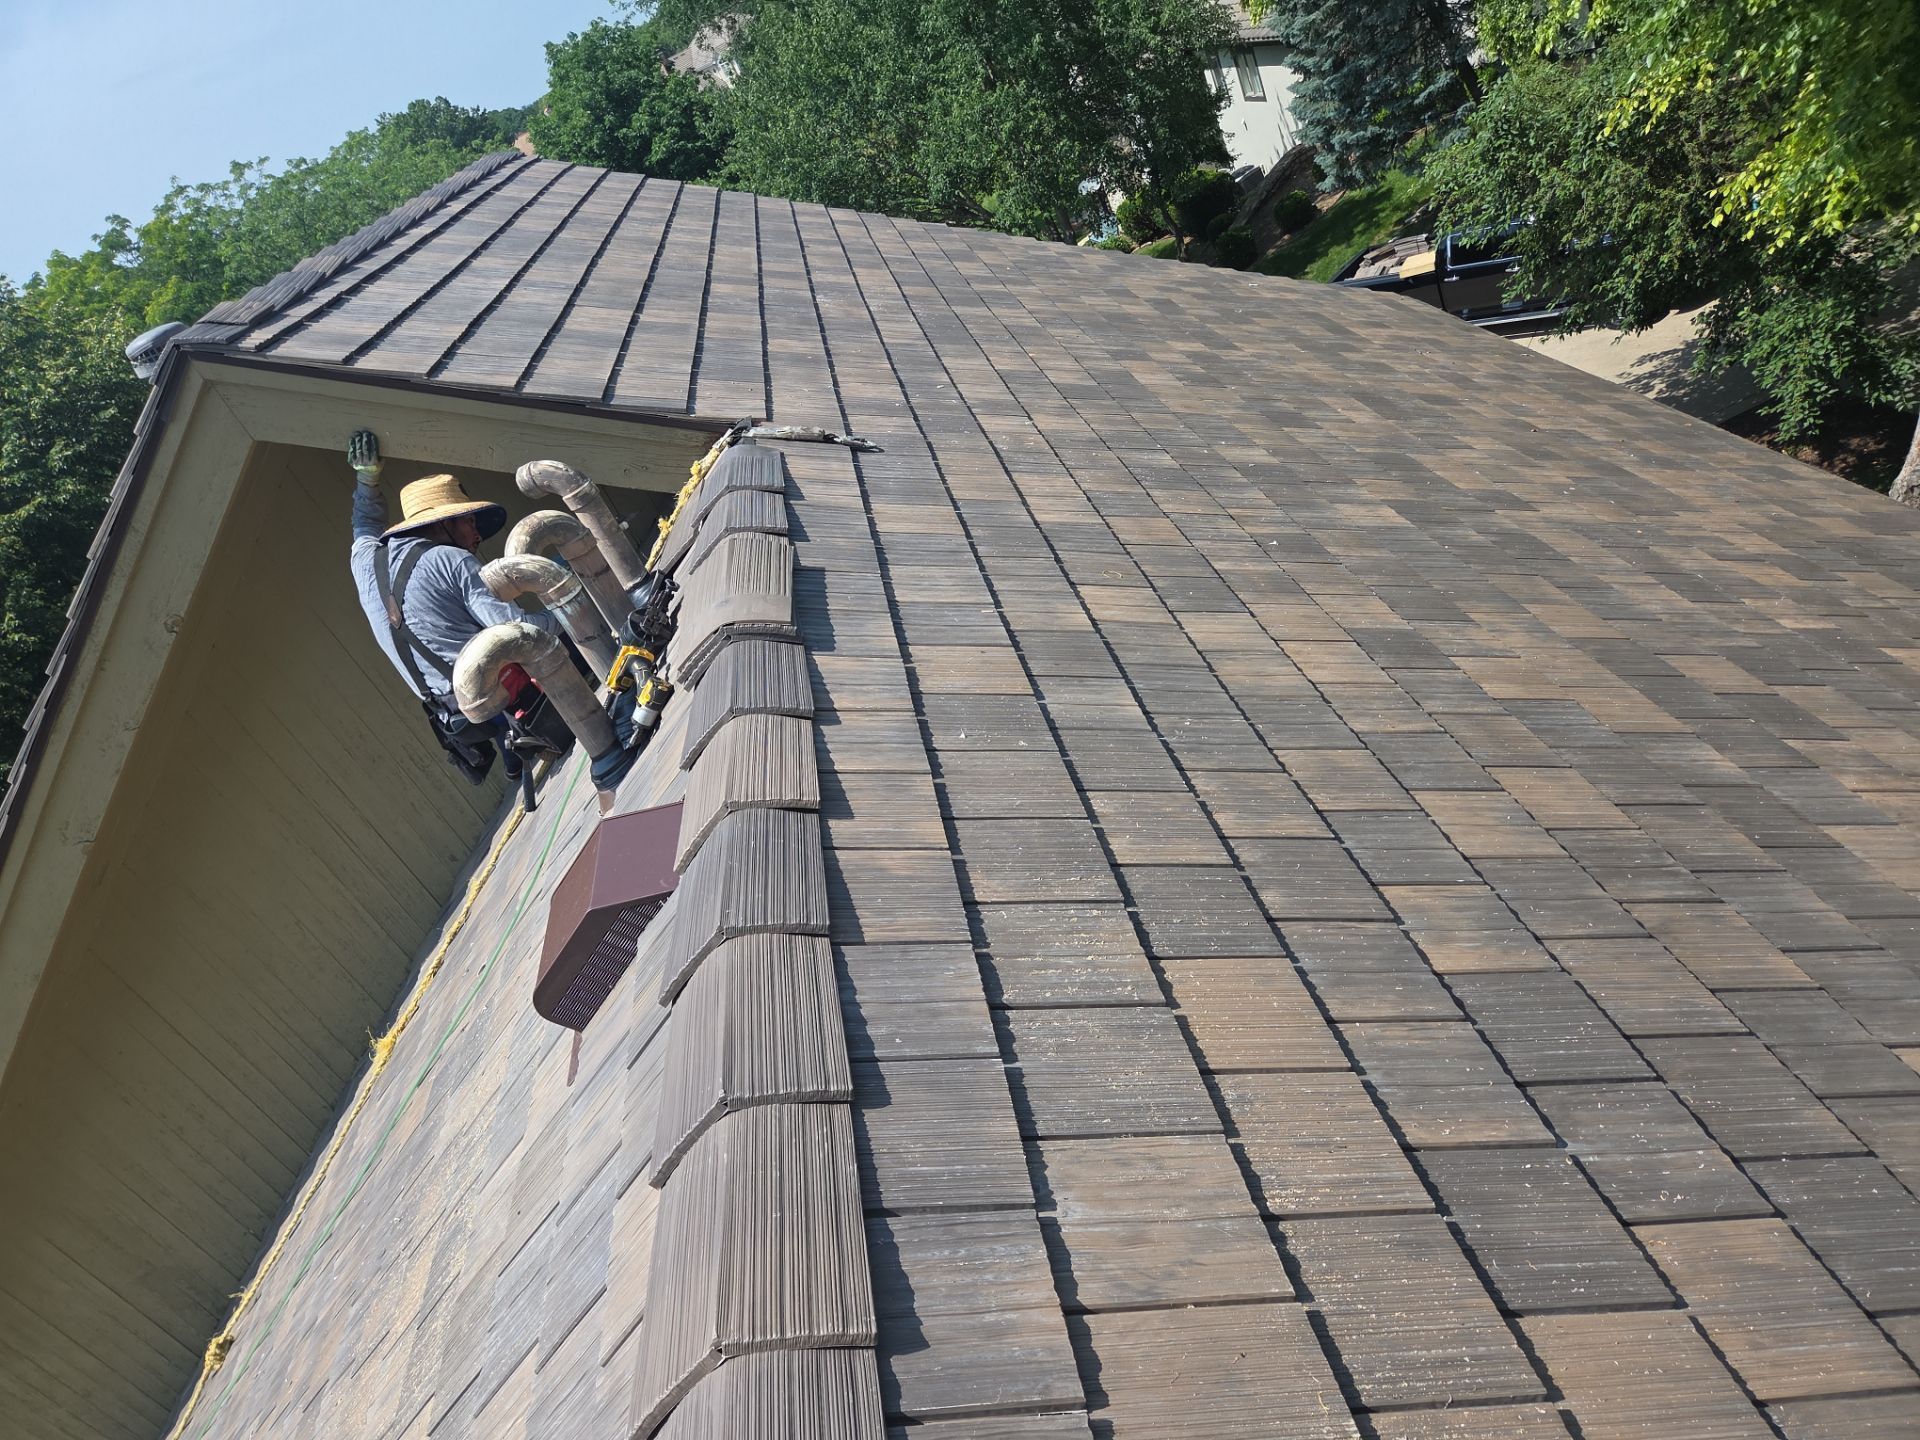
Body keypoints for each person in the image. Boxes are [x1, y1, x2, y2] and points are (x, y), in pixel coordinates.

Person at [346, 431, 559, 781]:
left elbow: (364, 525)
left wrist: (366, 479)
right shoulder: (450, 560)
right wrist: (569, 608)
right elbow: (516, 632)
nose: (477, 533)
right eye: (469, 520)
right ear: (443, 522)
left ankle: (512, 752)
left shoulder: (367, 562)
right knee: (566, 628)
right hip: (498, 697)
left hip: (450, 716)